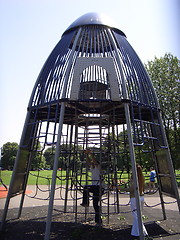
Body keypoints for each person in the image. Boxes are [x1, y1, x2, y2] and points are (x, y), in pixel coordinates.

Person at [121, 164, 149, 239]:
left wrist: (120, 188)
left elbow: (131, 189)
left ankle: (136, 233)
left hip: (135, 198)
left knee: (136, 215)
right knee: (138, 215)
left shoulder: (135, 179)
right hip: (141, 197)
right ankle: (142, 232)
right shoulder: (141, 178)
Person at [80, 149, 104, 224]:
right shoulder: (92, 168)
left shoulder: (98, 167)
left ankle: (85, 202)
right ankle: (98, 220)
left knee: (86, 188)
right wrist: (86, 155)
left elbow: (94, 161)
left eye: (94, 163)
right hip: (95, 186)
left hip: (99, 187)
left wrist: (90, 153)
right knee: (95, 203)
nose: (92, 164)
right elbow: (89, 161)